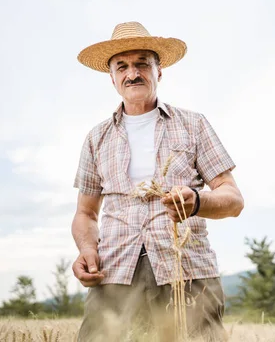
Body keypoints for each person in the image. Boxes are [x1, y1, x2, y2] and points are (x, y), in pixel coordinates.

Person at [72, 21, 244, 341]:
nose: (132, 73)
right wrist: (86, 248)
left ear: (158, 72)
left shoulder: (193, 124)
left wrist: (197, 201)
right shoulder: (97, 138)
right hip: (115, 273)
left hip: (187, 270)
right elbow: (85, 213)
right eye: (121, 66)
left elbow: (233, 200)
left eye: (141, 63)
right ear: (112, 78)